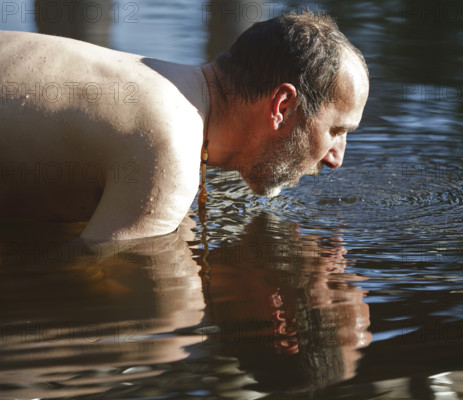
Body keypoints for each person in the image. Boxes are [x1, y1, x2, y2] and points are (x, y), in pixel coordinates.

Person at [0, 11, 369, 241]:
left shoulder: (172, 90)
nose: (336, 159)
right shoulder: (170, 143)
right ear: (283, 107)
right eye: (337, 131)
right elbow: (98, 276)